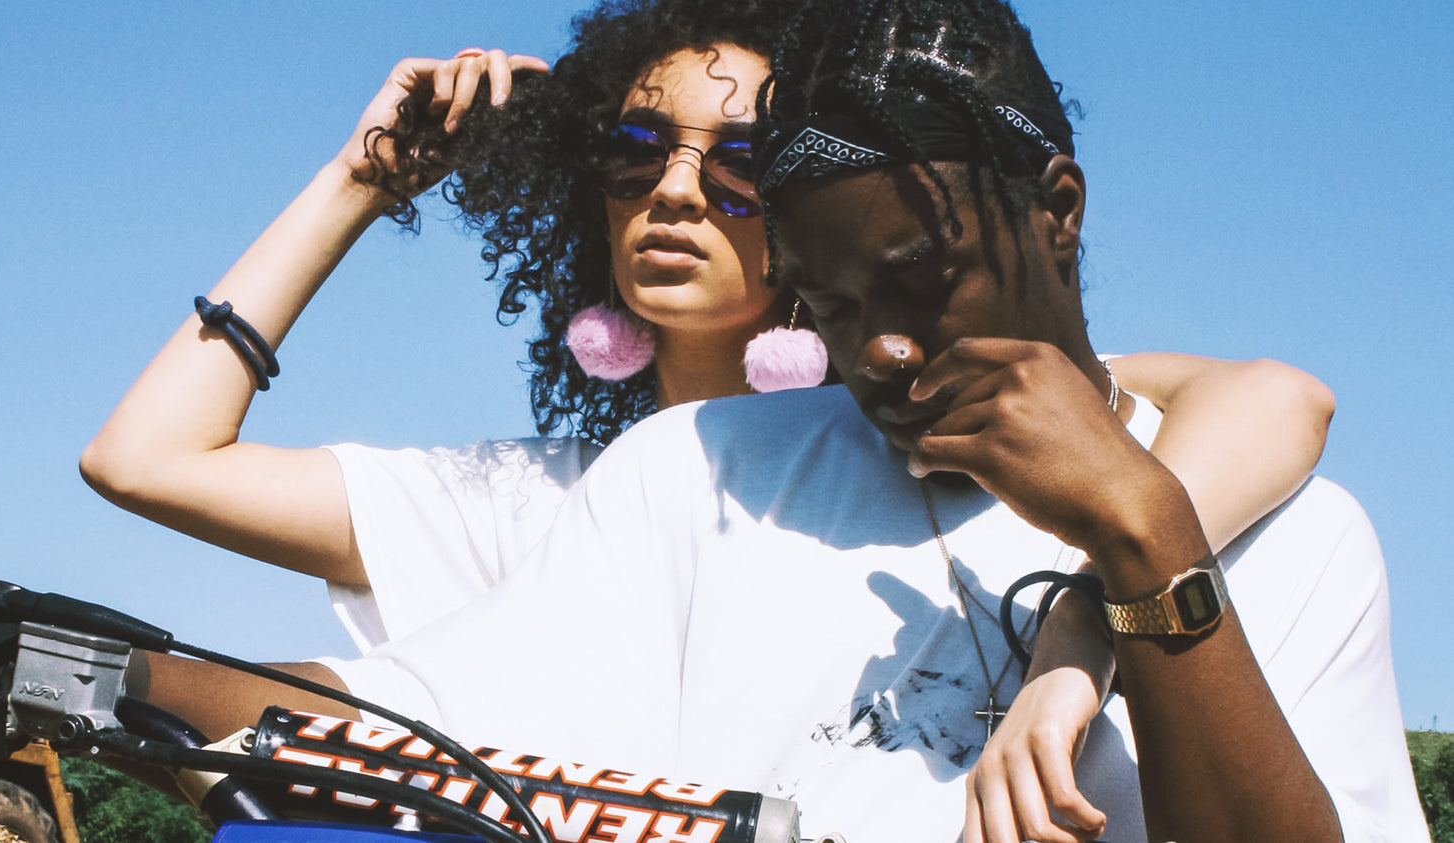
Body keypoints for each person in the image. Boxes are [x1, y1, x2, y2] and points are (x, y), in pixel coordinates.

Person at [78, 0, 1368, 840]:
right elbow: (395, 735)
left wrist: (1138, 555)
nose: (889, 347)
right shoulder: (684, 482)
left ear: (1060, 211)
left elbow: (1261, 398)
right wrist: (75, 670)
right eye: (836, 298)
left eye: (919, 278)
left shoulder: (1281, 526)